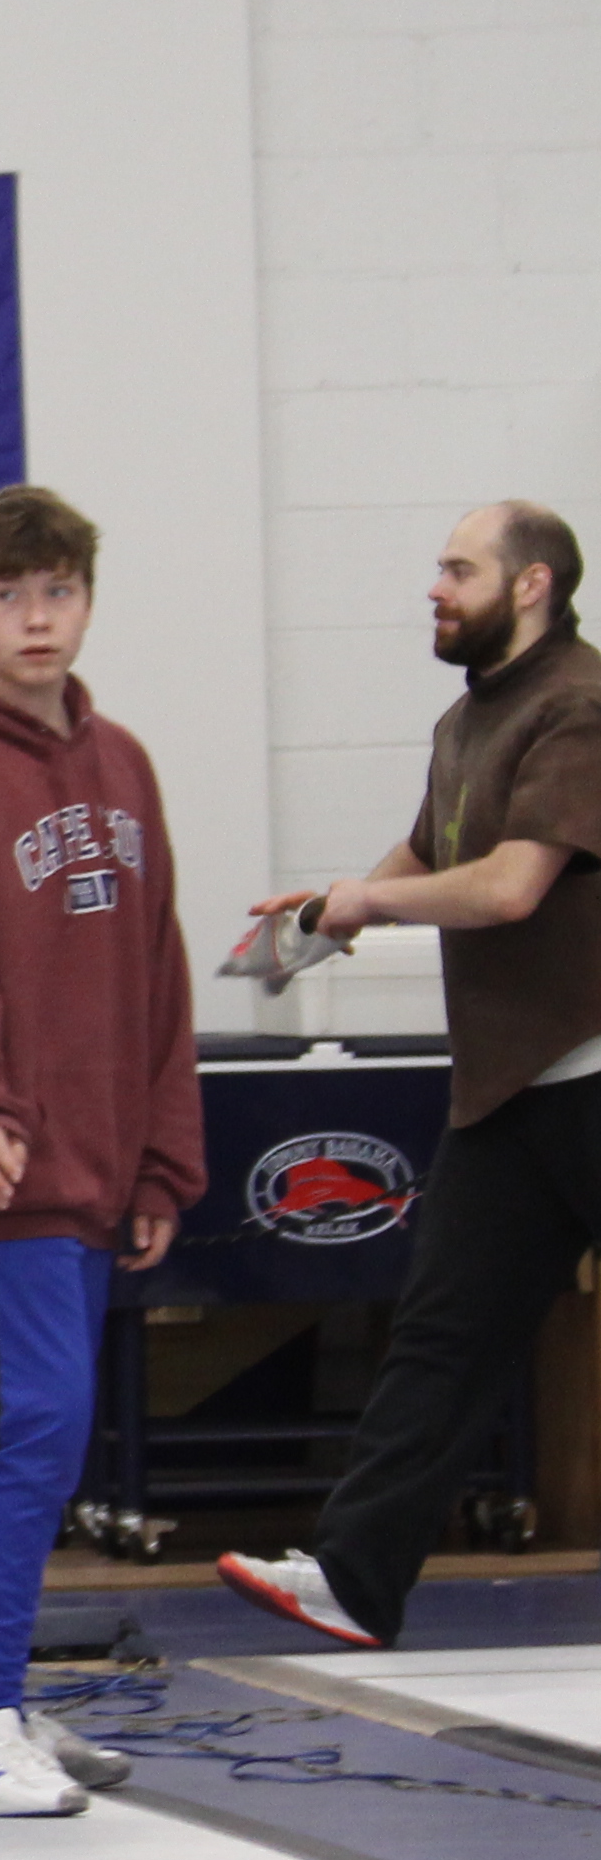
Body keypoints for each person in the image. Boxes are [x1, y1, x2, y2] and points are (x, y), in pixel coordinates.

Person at [0, 483, 200, 1817]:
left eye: (58, 591)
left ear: (86, 600)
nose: (38, 617)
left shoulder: (121, 763)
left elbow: (155, 968)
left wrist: (164, 1158)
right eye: (10, 596)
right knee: (37, 1422)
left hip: (97, 1163)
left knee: (51, 1438)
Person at [219, 501, 595, 1652]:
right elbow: (429, 854)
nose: (435, 587)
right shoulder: (465, 720)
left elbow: (509, 888)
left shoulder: (579, 707)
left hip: (592, 1071)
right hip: (515, 1087)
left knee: (448, 1332)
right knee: (443, 1333)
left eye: (458, 569)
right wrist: (324, 919)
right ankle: (358, 1578)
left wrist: (374, 904)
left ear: (529, 586)